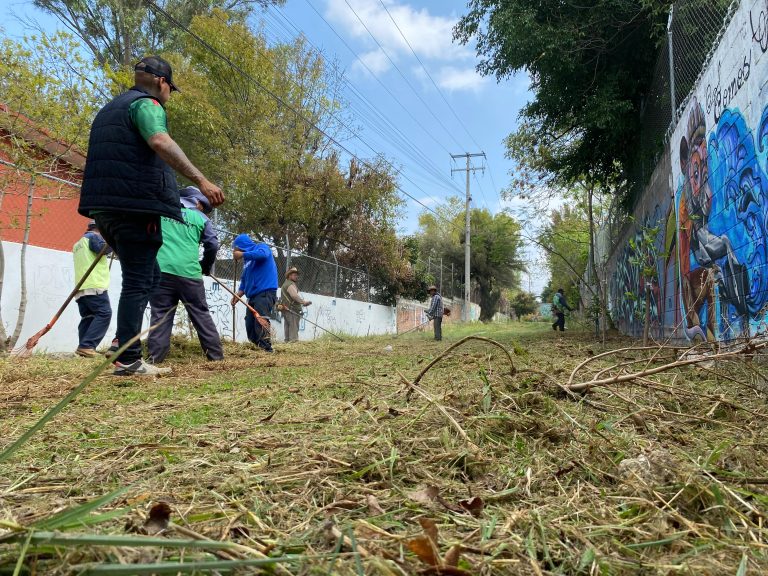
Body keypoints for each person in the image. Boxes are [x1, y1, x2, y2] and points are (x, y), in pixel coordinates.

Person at [78, 55, 224, 376]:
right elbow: (159, 140)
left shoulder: (109, 110)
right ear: (161, 82)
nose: (169, 94)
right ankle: (128, 358)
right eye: (170, 88)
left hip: (105, 209)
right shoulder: (147, 105)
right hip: (135, 208)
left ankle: (121, 342)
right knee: (140, 280)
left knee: (149, 278)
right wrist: (201, 180)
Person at [147, 186, 224, 363]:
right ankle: (216, 358)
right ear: (196, 202)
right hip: (190, 274)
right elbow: (212, 244)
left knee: (161, 315)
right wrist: (205, 265)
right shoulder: (200, 217)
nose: (202, 208)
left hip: (161, 272)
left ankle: (154, 359)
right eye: (202, 205)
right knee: (200, 314)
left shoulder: (161, 213)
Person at [73, 221, 113, 357]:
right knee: (104, 313)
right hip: (94, 284)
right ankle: (87, 345)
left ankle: (83, 348)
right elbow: (104, 249)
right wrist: (114, 240)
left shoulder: (79, 243)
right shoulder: (94, 237)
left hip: (81, 286)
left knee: (88, 316)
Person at [232, 234, 278, 352]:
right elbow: (244, 280)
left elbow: (263, 255)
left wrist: (242, 254)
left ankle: (266, 349)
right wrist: (238, 295)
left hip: (265, 293)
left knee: (260, 320)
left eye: (236, 249)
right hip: (252, 296)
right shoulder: (247, 262)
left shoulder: (261, 247)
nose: (235, 252)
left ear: (242, 246)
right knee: (250, 323)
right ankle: (255, 348)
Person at [278, 267, 312, 342]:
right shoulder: (289, 284)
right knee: (293, 328)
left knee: (287, 327)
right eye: (294, 275)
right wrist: (303, 302)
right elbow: (294, 296)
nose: (296, 276)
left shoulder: (285, 284)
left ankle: (287, 343)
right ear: (289, 276)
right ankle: (293, 344)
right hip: (292, 310)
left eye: (297, 275)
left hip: (287, 309)